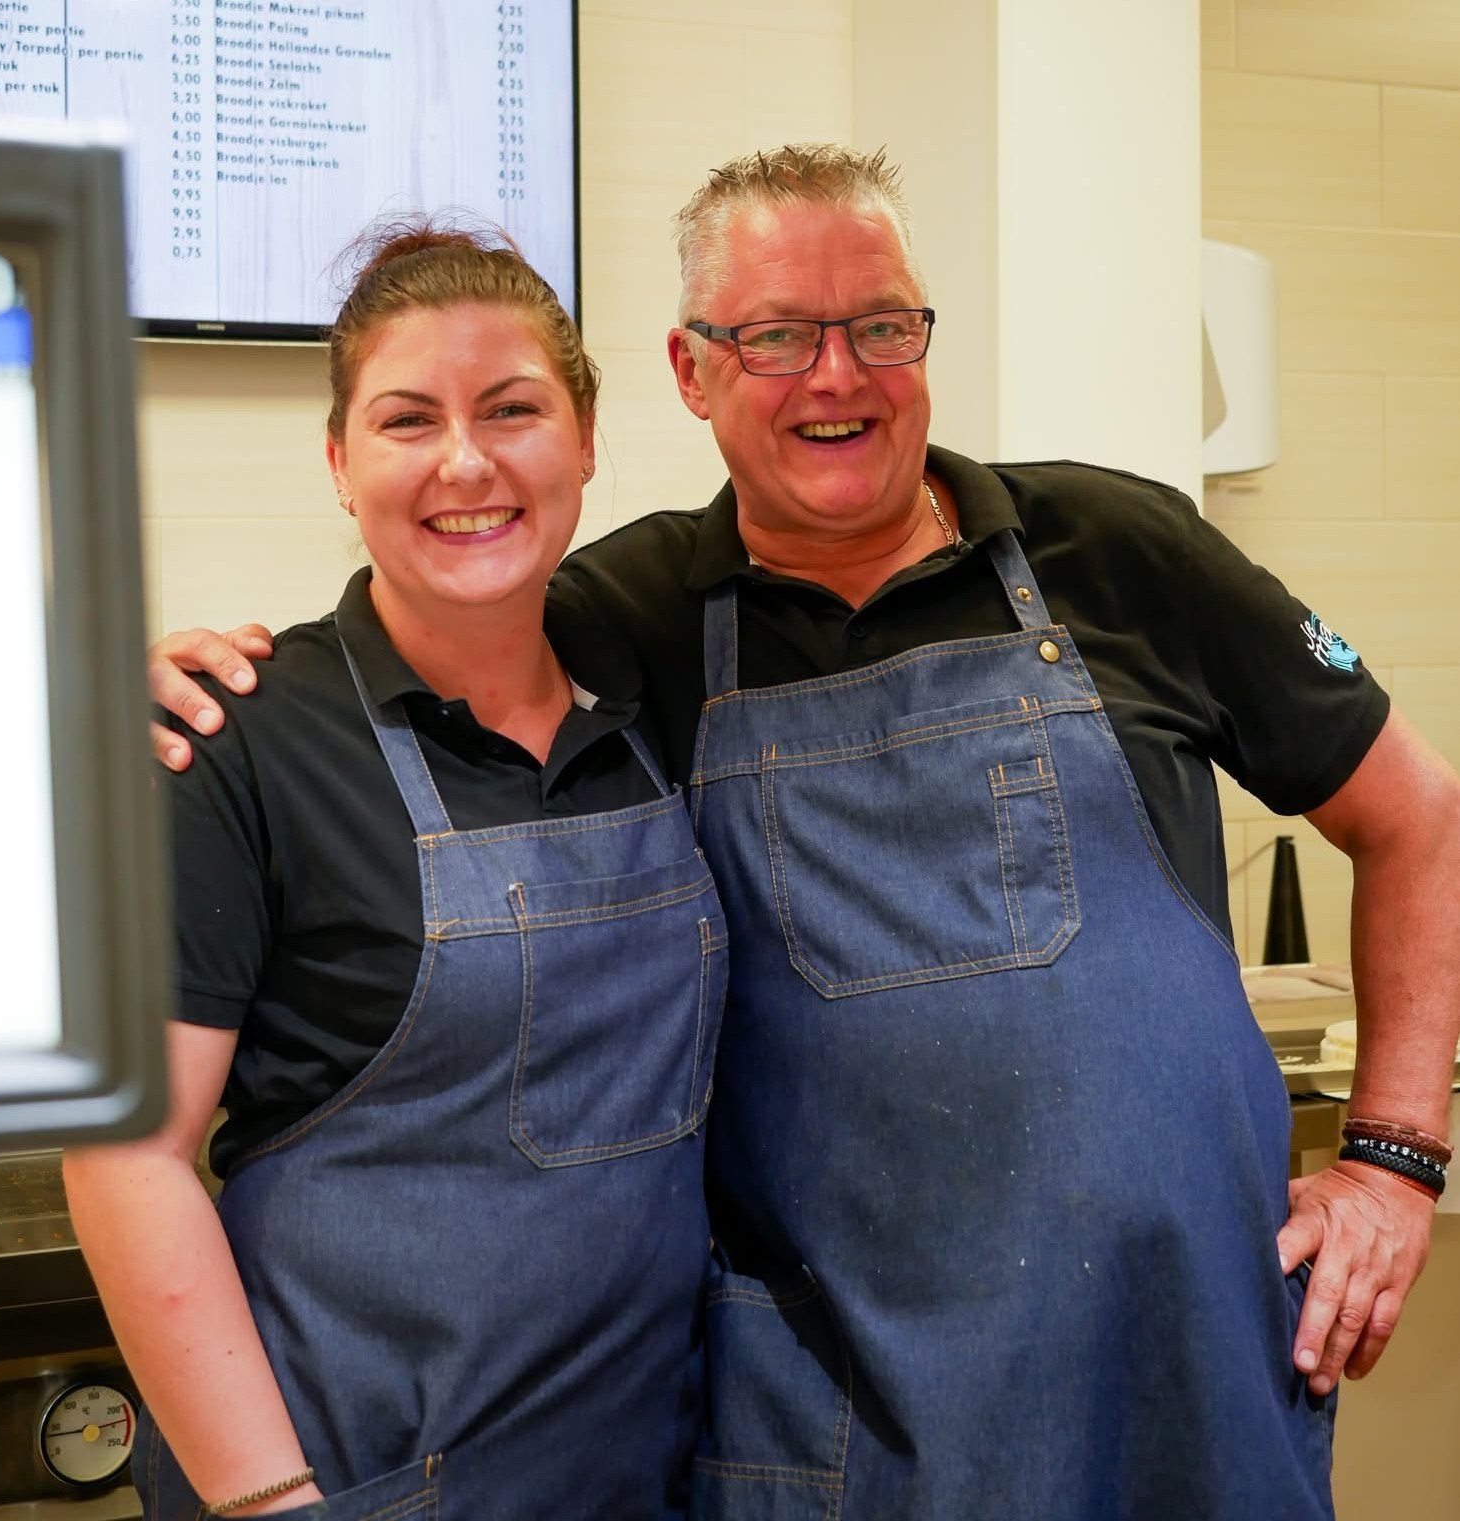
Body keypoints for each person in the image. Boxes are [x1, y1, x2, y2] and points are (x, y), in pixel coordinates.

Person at [148, 147, 1460, 1519]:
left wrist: (1392, 1157)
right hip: (860, 1428)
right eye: (775, 335)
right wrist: (185, 679)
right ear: (690, 370)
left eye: (879, 326)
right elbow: (432, 609)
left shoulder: (1120, 548)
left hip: (1184, 1374)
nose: (836, 377)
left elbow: (1414, 812)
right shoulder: (622, 618)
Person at [65, 222, 724, 1521]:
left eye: (513, 409)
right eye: (406, 419)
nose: (465, 462)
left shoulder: (662, 692)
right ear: (338, 460)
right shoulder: (236, 738)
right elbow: (125, 1153)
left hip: (638, 1471)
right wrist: (270, 1505)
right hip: (355, 1480)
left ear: (586, 439)